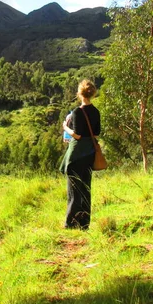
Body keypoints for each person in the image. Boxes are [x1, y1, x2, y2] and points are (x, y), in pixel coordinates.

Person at [59, 79, 101, 230]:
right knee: (85, 188)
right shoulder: (96, 112)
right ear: (93, 93)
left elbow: (76, 135)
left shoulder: (77, 112)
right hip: (89, 153)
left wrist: (65, 127)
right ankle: (84, 223)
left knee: (73, 190)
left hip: (76, 155)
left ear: (79, 93)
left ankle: (70, 223)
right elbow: (96, 134)